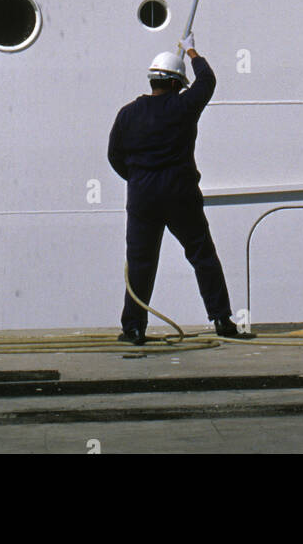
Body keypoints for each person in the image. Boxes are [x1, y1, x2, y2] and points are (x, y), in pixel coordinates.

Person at [107, 32, 249, 345]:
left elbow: (114, 156)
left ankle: (133, 327)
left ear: (152, 80)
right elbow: (208, 81)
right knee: (202, 255)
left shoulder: (127, 114)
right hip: (180, 193)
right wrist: (192, 51)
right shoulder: (183, 107)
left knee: (141, 263)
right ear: (175, 83)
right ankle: (222, 320)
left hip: (142, 196)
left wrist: (137, 179)